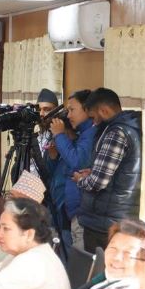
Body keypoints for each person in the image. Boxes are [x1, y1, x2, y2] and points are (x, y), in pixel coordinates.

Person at [74, 88, 142, 252]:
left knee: (100, 265)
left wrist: (80, 180)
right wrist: (93, 171)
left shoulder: (116, 134)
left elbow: (98, 182)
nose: (94, 123)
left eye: (93, 117)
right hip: (119, 214)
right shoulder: (132, 127)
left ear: (103, 110)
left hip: (106, 220)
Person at [48, 89, 97, 249]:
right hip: (70, 210)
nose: (68, 115)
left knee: (79, 258)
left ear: (87, 109)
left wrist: (59, 135)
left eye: (72, 110)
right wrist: (54, 156)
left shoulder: (91, 134)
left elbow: (77, 162)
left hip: (82, 212)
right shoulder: (83, 134)